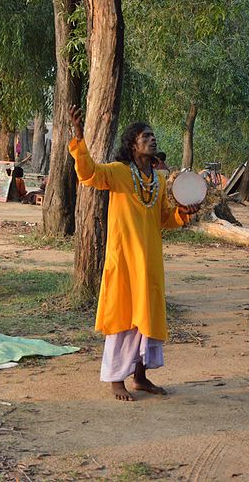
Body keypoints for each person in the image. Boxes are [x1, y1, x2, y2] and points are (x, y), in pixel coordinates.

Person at [67, 105, 200, 402]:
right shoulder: (118, 173)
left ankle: (140, 378)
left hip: (150, 261)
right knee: (123, 318)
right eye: (146, 136)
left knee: (146, 318)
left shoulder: (160, 180)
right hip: (124, 259)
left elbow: (165, 218)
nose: (152, 140)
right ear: (132, 144)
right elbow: (88, 174)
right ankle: (116, 380)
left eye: (153, 136)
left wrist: (183, 212)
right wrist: (78, 136)